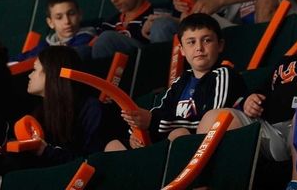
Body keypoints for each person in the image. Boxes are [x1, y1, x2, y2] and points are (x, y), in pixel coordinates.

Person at [104, 13, 246, 150]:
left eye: (206, 40)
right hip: (167, 140)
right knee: (113, 145)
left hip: (199, 147)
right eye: (191, 42)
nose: (199, 48)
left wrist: (153, 122)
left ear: (220, 45)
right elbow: (161, 112)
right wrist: (138, 132)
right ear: (182, 49)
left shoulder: (224, 74)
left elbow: (208, 121)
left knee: (179, 134)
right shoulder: (181, 81)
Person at [195, 52, 297, 165]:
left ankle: (296, 181)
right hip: (271, 131)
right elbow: (260, 92)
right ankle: (205, 178)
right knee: (213, 118)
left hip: (296, 125)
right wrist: (250, 101)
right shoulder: (285, 62)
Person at [23, 47, 104, 165]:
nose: (30, 75)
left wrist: (45, 151)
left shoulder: (91, 109)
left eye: (35, 69)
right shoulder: (39, 112)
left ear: (51, 73)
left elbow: (93, 161)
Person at [16, 0, 97, 61]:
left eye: (71, 14)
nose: (67, 21)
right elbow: (22, 59)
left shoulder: (86, 38)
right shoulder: (45, 45)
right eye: (59, 17)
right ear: (50, 23)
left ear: (80, 15)